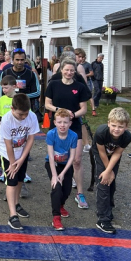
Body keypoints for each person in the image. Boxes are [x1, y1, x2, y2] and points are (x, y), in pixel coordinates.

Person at [44, 58, 91, 209]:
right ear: (61, 70)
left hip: (74, 124)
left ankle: (80, 193)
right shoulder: (53, 84)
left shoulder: (80, 86)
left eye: (72, 70)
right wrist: (58, 111)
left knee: (77, 160)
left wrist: (73, 115)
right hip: (57, 125)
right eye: (67, 70)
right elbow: (47, 104)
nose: (69, 73)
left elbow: (84, 108)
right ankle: (59, 181)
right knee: (59, 156)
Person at [0, 93, 39, 230]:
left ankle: (16, 203)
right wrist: (12, 163)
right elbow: (8, 144)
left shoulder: (32, 116)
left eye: (25, 114)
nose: (23, 117)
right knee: (12, 180)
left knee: (20, 179)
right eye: (20, 114)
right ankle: (12, 215)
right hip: (8, 155)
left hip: (22, 153)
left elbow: (31, 139)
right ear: (12, 108)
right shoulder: (6, 120)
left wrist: (22, 159)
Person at [94, 108, 131, 234]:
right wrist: (107, 171)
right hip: (101, 154)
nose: (116, 129)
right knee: (103, 181)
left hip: (113, 155)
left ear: (126, 127)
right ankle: (102, 218)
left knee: (112, 181)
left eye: (120, 127)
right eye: (114, 125)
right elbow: (101, 151)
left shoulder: (127, 137)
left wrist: (110, 171)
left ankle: (108, 207)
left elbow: (117, 153)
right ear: (108, 123)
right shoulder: (101, 132)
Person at [45, 109, 78, 231]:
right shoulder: (51, 134)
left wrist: (63, 173)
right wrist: (55, 176)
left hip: (66, 165)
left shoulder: (73, 135)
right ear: (54, 122)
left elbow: (72, 157)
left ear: (70, 123)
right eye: (59, 122)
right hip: (52, 163)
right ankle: (56, 217)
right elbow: (51, 155)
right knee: (57, 187)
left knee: (67, 189)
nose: (62, 125)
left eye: (65, 122)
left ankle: (61, 205)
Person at [0, 48, 40, 112]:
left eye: (22, 60)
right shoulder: (5, 73)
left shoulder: (31, 74)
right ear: (12, 60)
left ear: (25, 60)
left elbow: (37, 93)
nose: (19, 62)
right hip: (9, 108)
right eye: (17, 60)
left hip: (26, 109)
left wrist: (20, 96)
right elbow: (1, 93)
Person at [0, 75, 17, 181]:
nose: (4, 90)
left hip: (17, 132)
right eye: (2, 88)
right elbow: (1, 114)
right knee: (5, 153)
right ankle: (6, 173)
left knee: (17, 153)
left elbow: (26, 114)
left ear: (14, 86)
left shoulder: (19, 98)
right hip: (4, 132)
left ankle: (21, 174)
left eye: (6, 88)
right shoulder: (2, 99)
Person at [75, 49, 96, 117]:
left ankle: (93, 110)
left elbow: (91, 74)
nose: (81, 59)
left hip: (84, 85)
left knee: (89, 97)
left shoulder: (86, 65)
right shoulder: (74, 66)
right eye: (79, 56)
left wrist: (84, 75)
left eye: (82, 57)